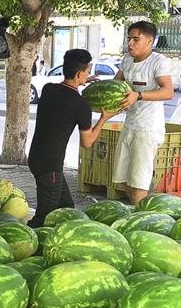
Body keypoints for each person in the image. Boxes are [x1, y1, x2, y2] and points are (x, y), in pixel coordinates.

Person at [27, 49, 117, 227]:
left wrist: (82, 82)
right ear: (79, 73)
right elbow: (87, 142)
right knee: (44, 217)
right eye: (87, 71)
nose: (89, 74)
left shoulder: (49, 89)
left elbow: (65, 96)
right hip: (50, 167)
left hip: (37, 158)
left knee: (66, 208)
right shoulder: (81, 105)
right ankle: (26, 244)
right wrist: (103, 118)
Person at [112, 21, 174, 204]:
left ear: (150, 41)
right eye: (129, 39)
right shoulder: (127, 60)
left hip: (147, 129)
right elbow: (116, 83)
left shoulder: (158, 62)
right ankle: (138, 209)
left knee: (139, 180)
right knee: (123, 178)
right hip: (130, 125)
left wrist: (138, 95)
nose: (130, 43)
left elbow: (168, 91)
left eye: (135, 39)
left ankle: (141, 216)